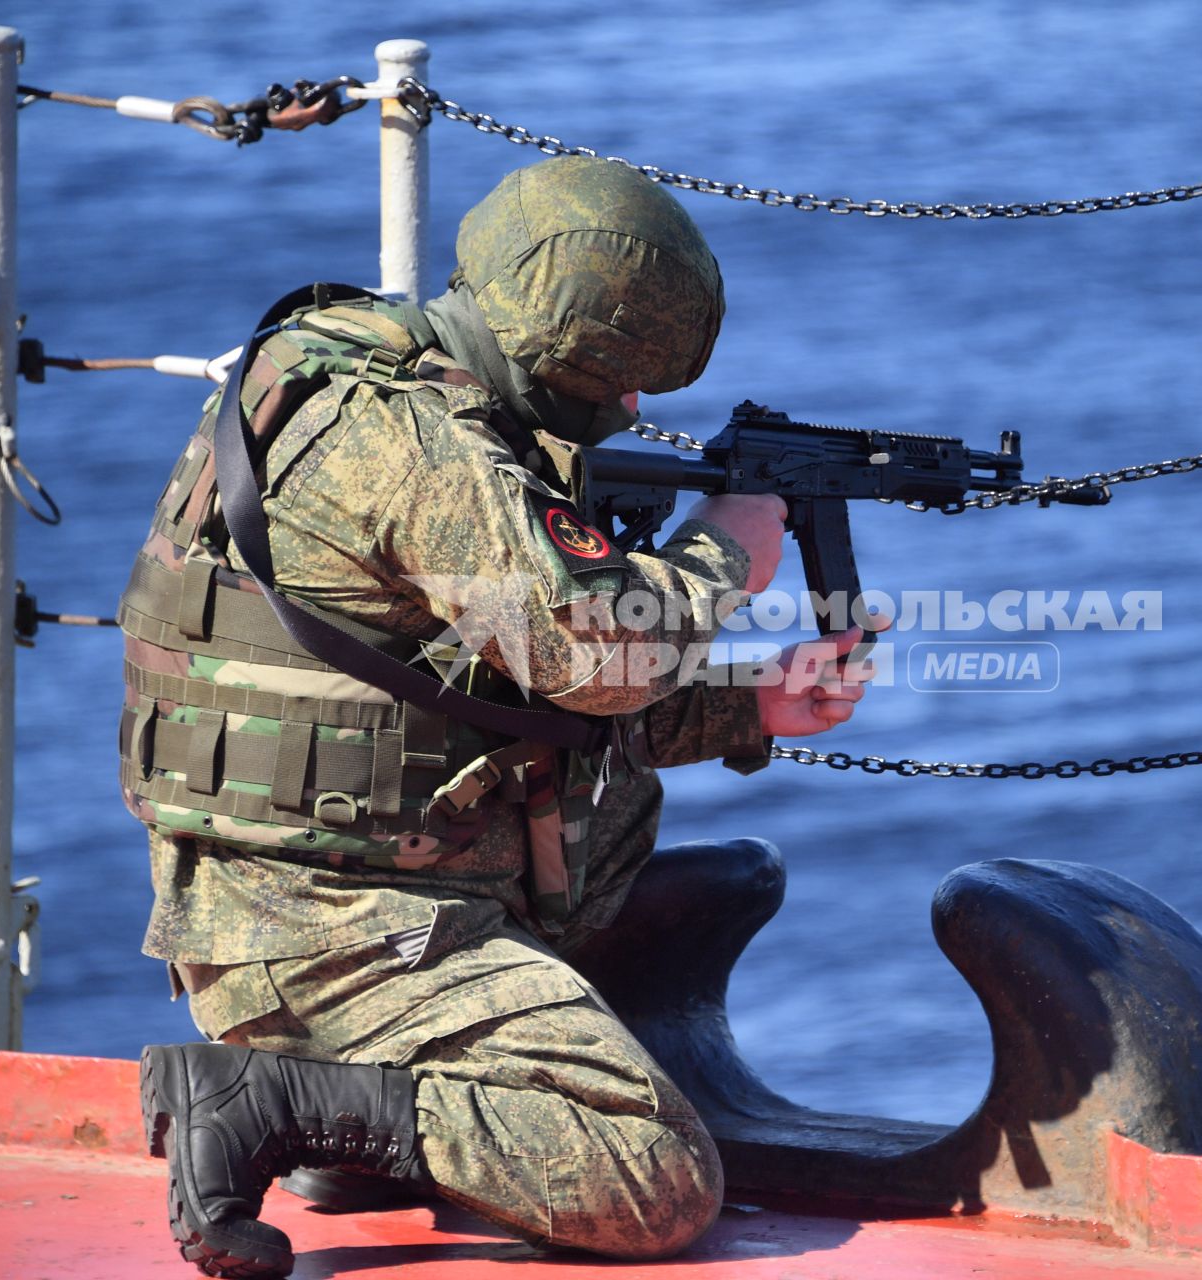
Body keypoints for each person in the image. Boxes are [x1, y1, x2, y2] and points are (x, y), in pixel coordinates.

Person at [121, 155, 879, 1278]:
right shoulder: (426, 449)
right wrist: (728, 546)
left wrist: (751, 701)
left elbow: (478, 697)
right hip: (334, 930)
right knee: (653, 1176)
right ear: (553, 355)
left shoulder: (336, 357)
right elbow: (603, 656)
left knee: (603, 860)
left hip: (272, 899)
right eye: (616, 382)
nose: (628, 409)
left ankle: (348, 1112)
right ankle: (271, 1100)